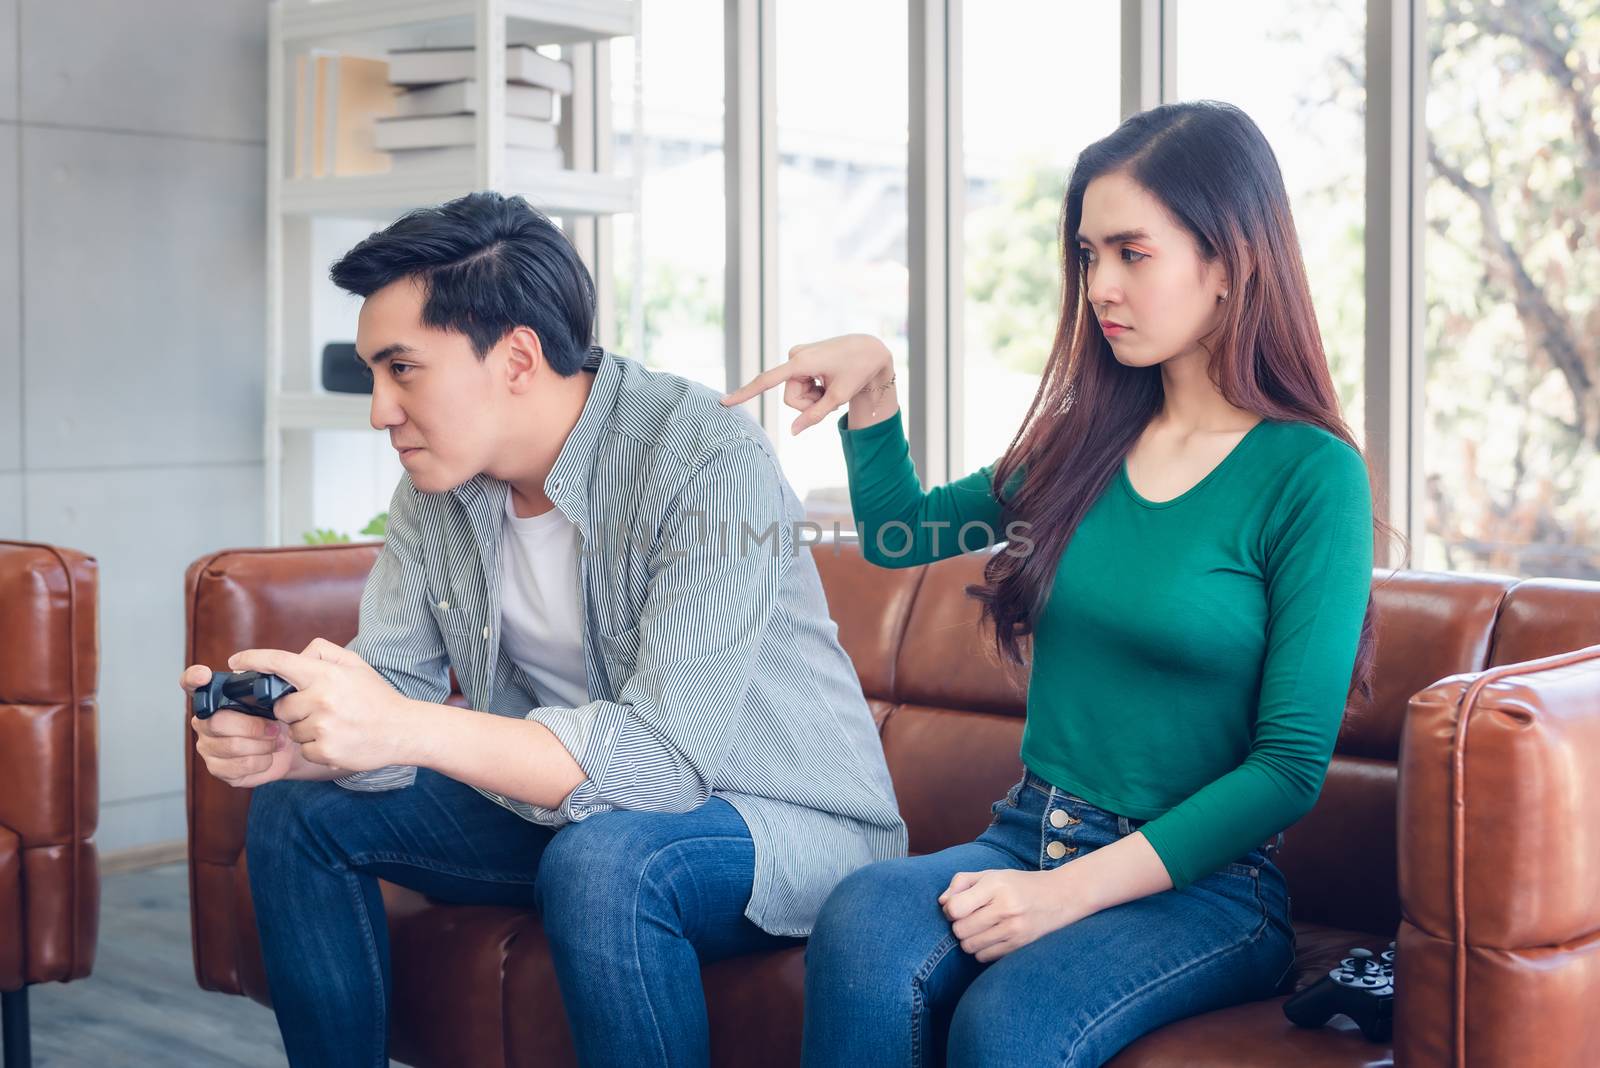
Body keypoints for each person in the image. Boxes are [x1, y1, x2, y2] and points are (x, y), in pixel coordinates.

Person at [722, 100, 1383, 1067]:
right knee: (862, 915)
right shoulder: (1083, 440)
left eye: (1132, 252)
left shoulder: (1312, 475)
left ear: (1231, 261)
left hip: (1204, 890)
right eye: (1087, 256)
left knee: (1010, 1019)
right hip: (1030, 830)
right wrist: (874, 392)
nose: (1101, 286)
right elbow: (903, 535)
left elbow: (1287, 772)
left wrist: (1065, 895)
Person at [181, 191, 906, 1068]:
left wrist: (397, 727)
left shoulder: (707, 460)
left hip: (781, 825)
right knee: (300, 814)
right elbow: (395, 686)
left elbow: (664, 767)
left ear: (517, 356)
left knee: (608, 863)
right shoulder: (438, 491)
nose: (378, 409)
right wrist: (310, 738)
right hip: (575, 816)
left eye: (403, 369)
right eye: (373, 372)